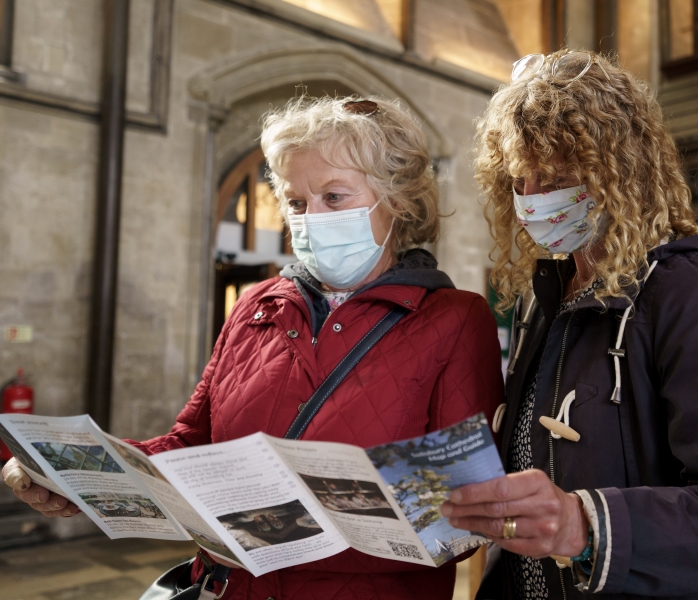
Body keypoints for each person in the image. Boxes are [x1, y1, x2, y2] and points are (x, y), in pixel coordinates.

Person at [2, 96, 504, 600]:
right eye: (296, 202)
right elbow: (190, 444)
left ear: (395, 200)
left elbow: (462, 520)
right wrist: (85, 473)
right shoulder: (255, 305)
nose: (311, 219)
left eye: (334, 196)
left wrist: (264, 531)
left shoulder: (455, 319)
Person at [440, 50, 698, 599]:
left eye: (558, 177)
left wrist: (584, 523)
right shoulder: (551, 295)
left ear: (621, 170)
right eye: (520, 181)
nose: (535, 202)